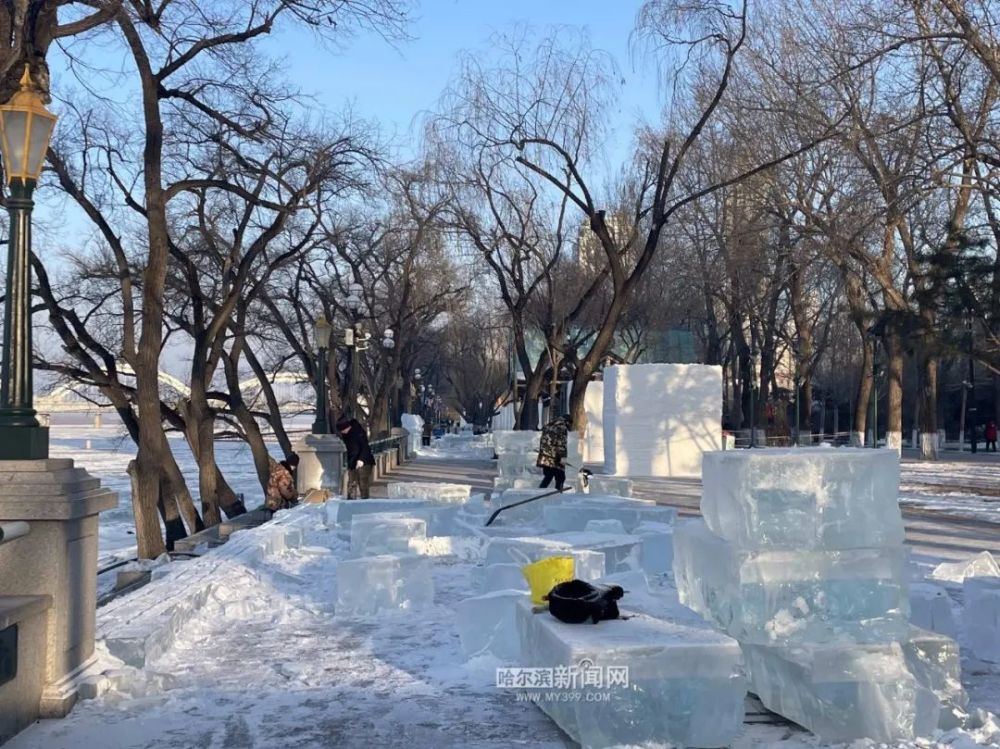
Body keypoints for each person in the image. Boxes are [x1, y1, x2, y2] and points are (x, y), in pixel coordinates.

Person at [336, 417, 376, 499]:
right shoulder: (346, 434)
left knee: (362, 481)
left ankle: (364, 499)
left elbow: (364, 446)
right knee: (351, 481)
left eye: (342, 430)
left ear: (347, 427)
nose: (342, 432)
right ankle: (351, 500)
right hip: (353, 460)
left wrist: (361, 459)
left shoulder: (358, 432)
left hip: (365, 460)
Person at [537, 413, 570, 492]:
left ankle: (539, 492)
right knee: (561, 477)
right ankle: (558, 493)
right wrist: (563, 458)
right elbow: (561, 444)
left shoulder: (548, 426)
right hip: (555, 458)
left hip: (545, 457)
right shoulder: (562, 428)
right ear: (567, 422)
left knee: (548, 476)